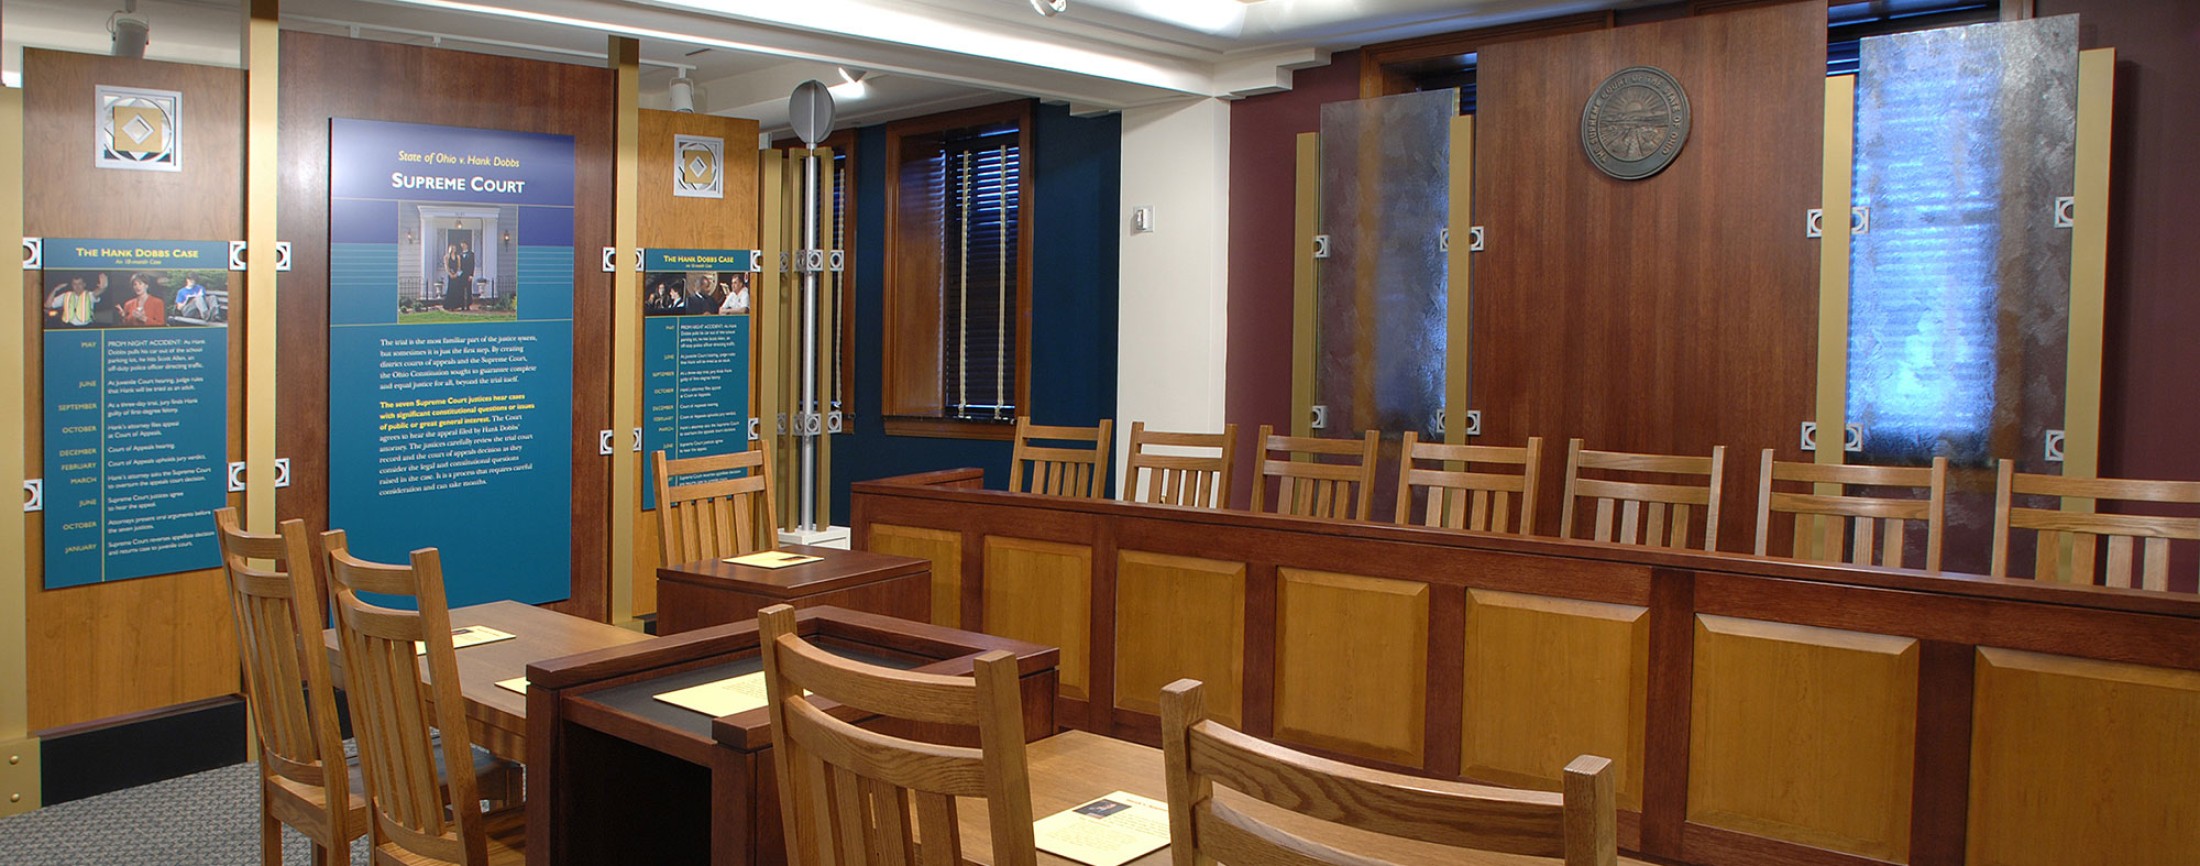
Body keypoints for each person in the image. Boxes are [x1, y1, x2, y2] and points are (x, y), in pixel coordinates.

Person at [454, 240, 476, 311]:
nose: (462, 246)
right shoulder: (460, 254)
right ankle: (462, 305)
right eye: (461, 245)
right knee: (461, 290)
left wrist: (471, 275)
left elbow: (472, 265)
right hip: (461, 274)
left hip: (468, 274)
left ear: (466, 245)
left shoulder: (471, 254)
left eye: (463, 244)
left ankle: (468, 305)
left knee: (468, 290)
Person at [440, 243, 462, 309]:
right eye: (452, 248)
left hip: (456, 275)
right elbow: (446, 266)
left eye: (454, 248)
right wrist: (450, 274)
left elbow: (459, 266)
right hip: (450, 275)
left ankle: (455, 305)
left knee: (456, 289)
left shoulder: (458, 257)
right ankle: (449, 304)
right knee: (450, 289)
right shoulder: (446, 257)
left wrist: (456, 274)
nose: (453, 249)